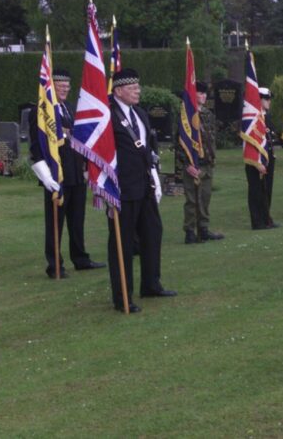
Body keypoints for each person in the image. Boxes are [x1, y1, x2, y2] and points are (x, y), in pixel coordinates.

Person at [107, 68, 175, 314]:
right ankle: (122, 295)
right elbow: (101, 154)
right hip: (121, 189)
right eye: (132, 88)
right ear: (118, 91)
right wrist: (106, 192)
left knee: (152, 234)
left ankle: (151, 284)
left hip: (145, 186)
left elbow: (149, 150)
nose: (137, 91)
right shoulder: (107, 115)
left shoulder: (140, 114)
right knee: (122, 243)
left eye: (138, 87)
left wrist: (155, 177)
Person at [29, 68, 104, 279]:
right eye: (60, 86)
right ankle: (55, 265)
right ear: (51, 88)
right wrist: (46, 177)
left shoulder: (69, 108)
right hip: (56, 176)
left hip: (76, 174)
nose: (65, 90)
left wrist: (87, 168)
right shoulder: (42, 111)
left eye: (67, 86)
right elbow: (37, 147)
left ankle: (81, 259)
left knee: (77, 220)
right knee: (55, 222)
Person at [178, 81, 224, 244]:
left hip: (207, 163)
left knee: (205, 198)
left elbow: (211, 139)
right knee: (192, 200)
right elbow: (180, 143)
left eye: (205, 93)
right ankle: (190, 231)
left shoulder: (208, 114)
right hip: (193, 164)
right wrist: (186, 164)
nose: (203, 96)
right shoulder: (185, 116)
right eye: (200, 93)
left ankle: (203, 228)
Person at [246, 87, 280, 230]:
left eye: (269, 99)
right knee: (256, 190)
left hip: (268, 157)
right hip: (256, 159)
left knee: (267, 189)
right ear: (258, 99)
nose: (269, 102)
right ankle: (257, 221)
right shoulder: (252, 118)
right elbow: (251, 140)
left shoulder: (266, 116)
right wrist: (257, 161)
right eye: (266, 99)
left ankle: (266, 218)